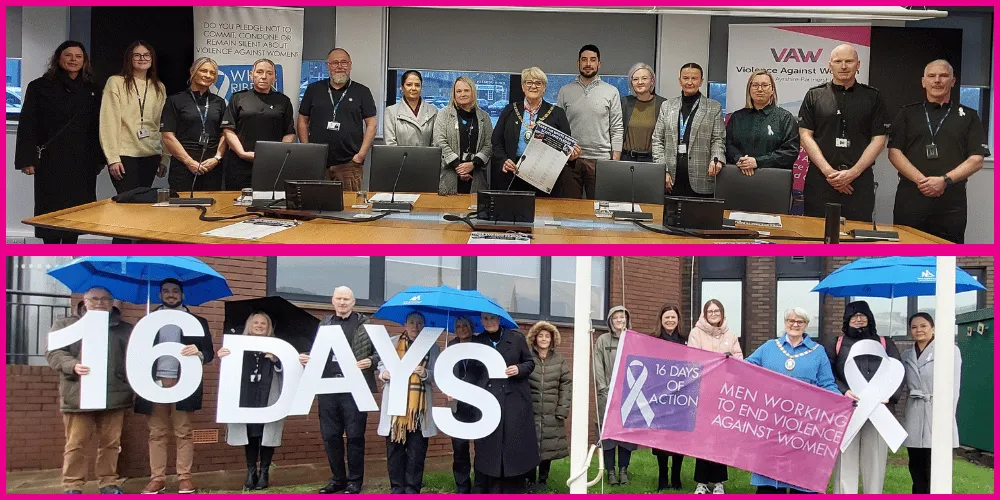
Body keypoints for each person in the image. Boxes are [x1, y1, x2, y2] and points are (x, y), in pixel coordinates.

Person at [888, 59, 990, 243]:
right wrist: (923, 181)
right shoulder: (906, 114)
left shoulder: (969, 116)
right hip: (911, 198)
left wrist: (944, 181)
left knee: (948, 252)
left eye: (943, 76)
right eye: (932, 76)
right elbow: (894, 152)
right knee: (905, 250)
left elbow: (977, 159)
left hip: (951, 202)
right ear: (923, 81)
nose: (937, 80)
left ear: (953, 81)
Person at [46, 286, 134, 494]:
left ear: (112, 302)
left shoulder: (125, 329)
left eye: (105, 299)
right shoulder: (65, 325)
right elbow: (54, 353)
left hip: (114, 395)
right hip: (78, 394)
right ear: (84, 301)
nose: (100, 303)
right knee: (76, 443)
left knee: (111, 444)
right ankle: (73, 485)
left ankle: (108, 482)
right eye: (94, 299)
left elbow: (134, 358)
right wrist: (72, 365)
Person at [14, 40, 103, 244]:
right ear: (58, 58)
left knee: (76, 216)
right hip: (50, 159)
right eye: (68, 55)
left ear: (85, 61)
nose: (73, 60)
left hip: (82, 160)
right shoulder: (39, 87)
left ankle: (71, 251)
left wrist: (99, 160)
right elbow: (28, 124)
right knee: (50, 216)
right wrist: (27, 159)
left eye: (78, 56)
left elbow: (98, 126)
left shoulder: (92, 89)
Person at [745, 308, 839, 493]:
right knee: (769, 480)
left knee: (801, 479)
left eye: (800, 322)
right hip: (772, 422)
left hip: (804, 425)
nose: (795, 324)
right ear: (785, 322)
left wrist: (843, 402)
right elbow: (747, 367)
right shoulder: (769, 347)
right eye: (791, 320)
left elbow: (827, 383)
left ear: (806, 325)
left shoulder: (818, 352)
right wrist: (728, 362)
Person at [135, 279, 215, 494]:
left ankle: (185, 478)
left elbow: (209, 354)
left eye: (175, 291)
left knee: (184, 432)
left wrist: (198, 352)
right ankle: (157, 478)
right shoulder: (147, 321)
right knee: (156, 433)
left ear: (182, 294)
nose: (171, 295)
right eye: (166, 291)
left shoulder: (197, 322)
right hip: (153, 382)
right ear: (160, 294)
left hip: (184, 383)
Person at [298, 286, 378, 494]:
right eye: (339, 298)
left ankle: (355, 482)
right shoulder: (324, 324)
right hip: (327, 388)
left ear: (353, 302)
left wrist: (370, 360)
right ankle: (337, 480)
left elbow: (379, 354)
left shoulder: (364, 324)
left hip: (355, 389)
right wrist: (308, 359)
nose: (342, 302)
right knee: (330, 436)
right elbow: (316, 352)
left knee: (355, 436)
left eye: (346, 299)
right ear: (332, 301)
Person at [798, 44, 889, 222]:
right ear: (829, 65)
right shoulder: (814, 95)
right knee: (815, 238)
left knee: (855, 244)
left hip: (858, 182)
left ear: (858, 64)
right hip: (821, 181)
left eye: (849, 61)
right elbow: (805, 136)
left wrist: (852, 174)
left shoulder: (873, 97)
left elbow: (879, 139)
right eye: (838, 61)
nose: (844, 66)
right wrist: (829, 173)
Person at [825, 300, 903, 494]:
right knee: (846, 462)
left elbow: (899, 373)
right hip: (847, 412)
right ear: (847, 320)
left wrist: (890, 395)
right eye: (854, 316)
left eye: (862, 315)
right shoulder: (836, 344)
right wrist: (842, 390)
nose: (858, 319)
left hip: (878, 412)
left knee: (875, 461)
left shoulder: (886, 343)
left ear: (869, 317)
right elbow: (827, 374)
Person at [470, 312, 538, 493]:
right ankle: (490, 484)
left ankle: (513, 484)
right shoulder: (478, 342)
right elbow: (474, 371)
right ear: (481, 321)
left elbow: (530, 363)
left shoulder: (516, 338)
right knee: (489, 443)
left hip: (513, 400)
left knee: (512, 442)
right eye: (485, 319)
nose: (489, 322)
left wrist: (519, 368)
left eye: (492, 318)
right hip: (488, 399)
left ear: (499, 319)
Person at [219, 312, 286, 490]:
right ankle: (251, 472)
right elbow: (229, 370)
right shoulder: (238, 345)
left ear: (268, 327)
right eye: (255, 322)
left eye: (263, 323)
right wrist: (224, 356)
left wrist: (276, 359)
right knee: (250, 434)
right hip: (246, 394)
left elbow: (287, 371)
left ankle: (264, 472)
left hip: (268, 396)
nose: (259, 325)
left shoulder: (278, 346)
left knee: (267, 434)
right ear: (250, 325)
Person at [297, 48, 377, 191]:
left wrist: (360, 156)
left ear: (350, 65)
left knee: (349, 208)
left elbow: (371, 124)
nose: (340, 66)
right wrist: (307, 149)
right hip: (317, 162)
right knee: (315, 204)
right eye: (335, 63)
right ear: (328, 66)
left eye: (344, 62)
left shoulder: (362, 91)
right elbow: (302, 120)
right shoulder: (313, 89)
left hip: (349, 164)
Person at [377, 312, 439, 494]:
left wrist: (425, 373)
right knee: (394, 450)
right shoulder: (392, 342)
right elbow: (381, 364)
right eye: (411, 323)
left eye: (419, 323)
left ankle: (412, 489)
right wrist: (383, 374)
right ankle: (397, 488)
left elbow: (438, 375)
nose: (415, 327)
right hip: (395, 409)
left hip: (419, 409)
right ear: (405, 324)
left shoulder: (433, 348)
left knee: (416, 452)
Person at [492, 67, 579, 196]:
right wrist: (504, 160)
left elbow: (566, 148)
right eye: (529, 82)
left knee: (543, 214)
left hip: (544, 177)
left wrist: (571, 156)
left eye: (538, 83)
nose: (533, 86)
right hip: (513, 173)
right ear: (522, 86)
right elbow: (496, 142)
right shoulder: (509, 110)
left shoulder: (557, 113)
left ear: (544, 88)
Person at [686, 299, 742, 493]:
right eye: (710, 311)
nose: (713, 314)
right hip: (703, 392)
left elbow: (739, 360)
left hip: (724, 393)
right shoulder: (696, 333)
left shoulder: (731, 335)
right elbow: (692, 359)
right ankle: (701, 482)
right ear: (705, 313)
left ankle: (718, 482)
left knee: (720, 439)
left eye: (716, 311)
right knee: (703, 438)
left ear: (722, 313)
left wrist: (730, 359)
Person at [902, 312, 962, 494]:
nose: (918, 330)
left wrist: (947, 417)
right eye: (914, 327)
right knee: (916, 468)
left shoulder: (949, 351)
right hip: (914, 413)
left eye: (923, 326)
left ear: (933, 328)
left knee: (935, 468)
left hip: (937, 414)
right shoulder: (906, 354)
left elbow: (954, 387)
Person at [99, 40, 169, 194]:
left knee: (143, 204)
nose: (142, 58)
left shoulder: (158, 86)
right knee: (127, 201)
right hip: (125, 154)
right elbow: (108, 122)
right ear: (129, 59)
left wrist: (165, 157)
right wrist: (112, 158)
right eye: (137, 55)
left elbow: (162, 124)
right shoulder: (116, 82)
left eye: (146, 55)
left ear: (152, 59)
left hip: (151, 154)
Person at [557, 44, 624, 199]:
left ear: (599, 64)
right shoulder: (565, 91)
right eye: (584, 60)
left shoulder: (611, 91)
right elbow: (558, 127)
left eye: (592, 60)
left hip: (601, 161)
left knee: (600, 211)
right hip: (571, 161)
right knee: (570, 210)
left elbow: (617, 128)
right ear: (578, 63)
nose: (588, 64)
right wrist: (564, 155)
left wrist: (615, 160)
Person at [652, 63, 726, 198]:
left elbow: (718, 139)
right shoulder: (667, 106)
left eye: (694, 78)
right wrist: (662, 170)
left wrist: (717, 159)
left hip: (701, 176)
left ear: (701, 81)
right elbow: (657, 140)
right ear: (679, 80)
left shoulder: (714, 108)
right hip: (670, 179)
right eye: (685, 78)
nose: (690, 82)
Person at [220, 58, 296, 190]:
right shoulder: (238, 98)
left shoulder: (283, 101)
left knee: (271, 204)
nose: (264, 76)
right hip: (239, 164)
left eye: (269, 73)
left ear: (274, 78)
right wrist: (242, 153)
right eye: (259, 72)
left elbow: (289, 133)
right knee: (237, 205)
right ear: (251, 75)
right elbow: (228, 130)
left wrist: (275, 154)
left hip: (271, 164)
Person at [160, 57, 228, 193]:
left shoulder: (219, 102)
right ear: (193, 71)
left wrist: (217, 158)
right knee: (182, 211)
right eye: (203, 70)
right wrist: (189, 162)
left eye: (212, 73)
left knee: (213, 209)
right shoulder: (175, 100)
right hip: (183, 167)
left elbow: (225, 134)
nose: (208, 75)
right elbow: (167, 137)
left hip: (212, 167)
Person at [725, 70, 800, 175]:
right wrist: (740, 160)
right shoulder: (737, 117)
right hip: (738, 176)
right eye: (755, 85)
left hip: (773, 180)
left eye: (765, 85)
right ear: (749, 89)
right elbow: (727, 144)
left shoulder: (785, 118)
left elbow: (790, 151)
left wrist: (757, 162)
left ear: (772, 90)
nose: (759, 89)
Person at [593, 305, 637, 486]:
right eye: (616, 318)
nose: (619, 320)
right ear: (610, 321)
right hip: (608, 395)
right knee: (608, 435)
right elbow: (598, 365)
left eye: (622, 317)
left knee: (626, 435)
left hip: (629, 394)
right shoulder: (603, 340)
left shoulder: (633, 339)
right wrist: (603, 389)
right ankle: (610, 471)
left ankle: (623, 470)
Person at [525, 321, 571, 491]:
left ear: (552, 339)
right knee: (529, 447)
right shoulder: (527, 357)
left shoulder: (559, 360)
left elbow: (566, 384)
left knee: (548, 448)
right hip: (531, 412)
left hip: (552, 412)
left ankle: (543, 481)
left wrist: (562, 408)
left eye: (547, 336)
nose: (544, 339)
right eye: (540, 336)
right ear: (534, 338)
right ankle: (529, 481)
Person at [434, 76, 493, 195]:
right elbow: (439, 141)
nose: (463, 94)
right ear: (454, 94)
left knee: (475, 211)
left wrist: (473, 164)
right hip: (450, 174)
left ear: (473, 93)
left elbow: (489, 144)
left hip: (476, 175)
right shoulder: (443, 114)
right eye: (459, 91)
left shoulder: (484, 117)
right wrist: (459, 167)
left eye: (466, 90)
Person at [651, 304, 686, 491]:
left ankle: (676, 476)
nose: (670, 321)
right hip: (660, 396)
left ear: (678, 320)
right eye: (667, 318)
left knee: (678, 438)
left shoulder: (685, 341)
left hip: (681, 396)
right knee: (661, 438)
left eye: (673, 317)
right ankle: (663, 476)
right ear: (661, 320)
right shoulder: (653, 340)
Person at [447, 316, 482, 494]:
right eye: (458, 326)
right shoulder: (450, 347)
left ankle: (479, 485)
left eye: (465, 326)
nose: (462, 329)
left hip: (478, 404)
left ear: (472, 327)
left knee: (480, 446)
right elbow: (443, 374)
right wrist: (447, 388)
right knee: (459, 447)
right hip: (457, 404)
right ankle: (462, 486)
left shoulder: (481, 345)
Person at [621, 62, 666, 163]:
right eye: (635, 79)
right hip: (626, 159)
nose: (640, 82)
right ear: (631, 82)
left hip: (652, 160)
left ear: (652, 81)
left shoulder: (663, 104)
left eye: (644, 78)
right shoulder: (625, 102)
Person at [384, 70, 437, 147]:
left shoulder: (433, 111)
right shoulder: (391, 112)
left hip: (426, 158)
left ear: (421, 88)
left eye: (417, 85)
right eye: (409, 85)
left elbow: (435, 143)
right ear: (402, 88)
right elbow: (390, 145)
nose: (413, 88)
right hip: (400, 158)